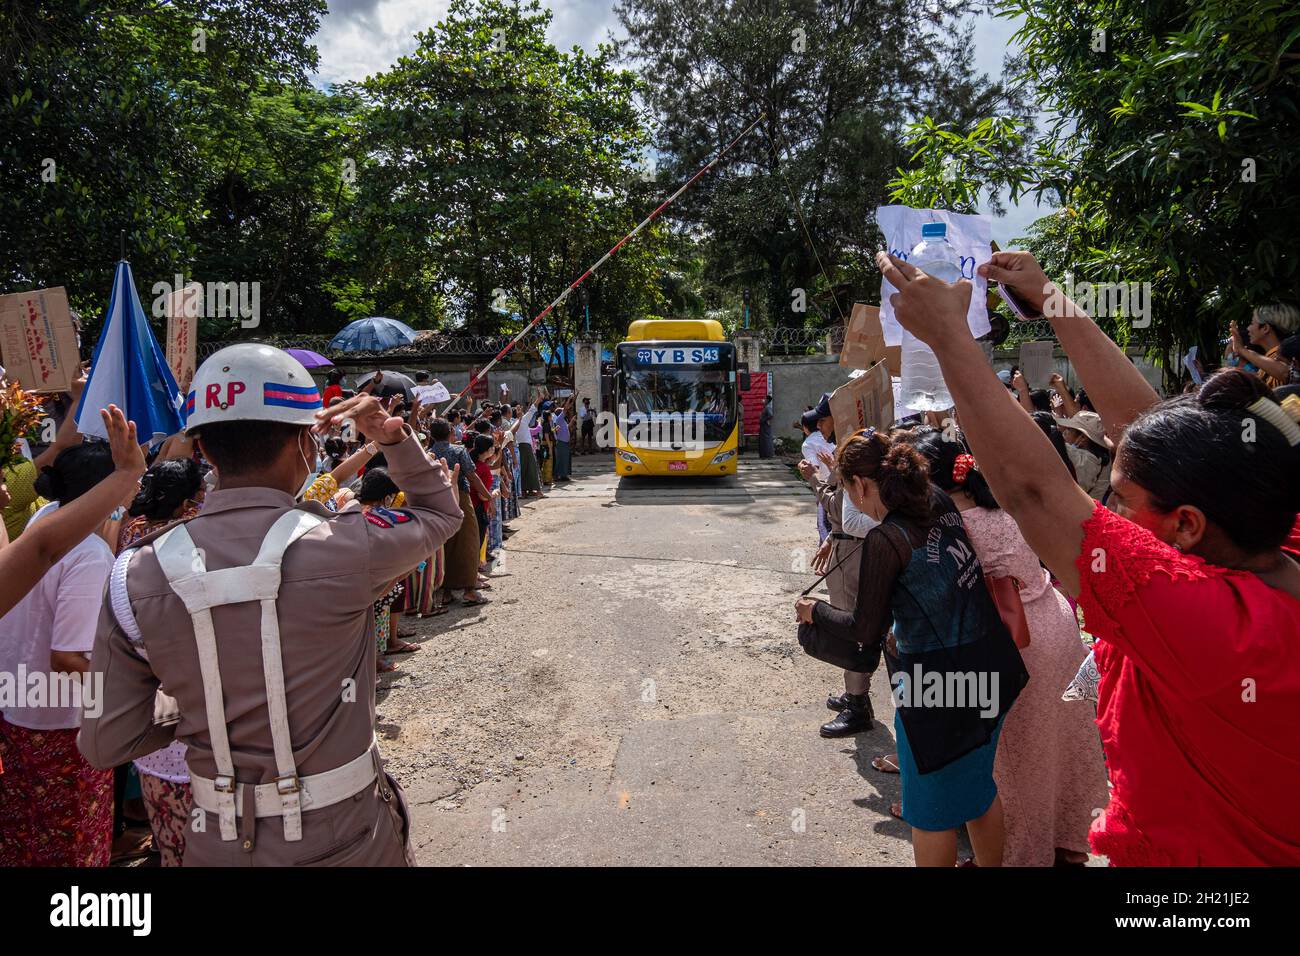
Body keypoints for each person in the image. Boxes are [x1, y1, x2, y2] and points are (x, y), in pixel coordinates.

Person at [880, 246, 1300, 865]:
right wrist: (1050, 299)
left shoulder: (1207, 619)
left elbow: (1033, 491)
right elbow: (1150, 429)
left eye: (1121, 501)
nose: (1107, 512)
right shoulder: (1268, 531)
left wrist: (949, 339)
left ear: (1185, 523)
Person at [79, 344, 463, 866]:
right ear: (306, 443)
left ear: (206, 452)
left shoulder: (135, 572)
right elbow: (441, 514)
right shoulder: (347, 546)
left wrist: (201, 709)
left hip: (214, 841)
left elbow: (106, 742)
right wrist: (392, 437)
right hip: (349, 838)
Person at [795, 429, 1025, 867]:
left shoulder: (888, 540)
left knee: (930, 811)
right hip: (992, 666)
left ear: (860, 485)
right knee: (978, 788)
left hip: (937, 688)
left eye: (848, 490)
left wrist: (814, 612)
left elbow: (864, 628)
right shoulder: (937, 500)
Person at [904, 427, 1109, 866]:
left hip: (1012, 642)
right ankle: (1068, 840)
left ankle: (1019, 854)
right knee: (1059, 742)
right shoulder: (1007, 509)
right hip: (1055, 627)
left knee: (1011, 760)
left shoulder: (951, 531)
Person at [0, 441, 122, 865]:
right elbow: (67, 659)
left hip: (18, 709)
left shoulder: (46, 519)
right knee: (71, 845)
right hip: (62, 726)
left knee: (22, 837)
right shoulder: (88, 556)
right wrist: (128, 694)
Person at [113, 455, 205, 867]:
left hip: (146, 702)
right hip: (190, 707)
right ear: (188, 502)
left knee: (167, 822)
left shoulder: (127, 535)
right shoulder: (188, 543)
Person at [798, 444, 879, 738]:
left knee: (850, 626)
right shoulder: (862, 472)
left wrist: (813, 479)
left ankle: (859, 704)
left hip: (853, 552)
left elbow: (838, 510)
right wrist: (832, 537)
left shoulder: (860, 476)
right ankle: (854, 693)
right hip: (846, 545)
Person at [429, 417, 488, 606]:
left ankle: (445, 590)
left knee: (445, 544)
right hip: (460, 497)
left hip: (437, 500)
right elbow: (472, 476)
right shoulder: (458, 450)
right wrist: (488, 495)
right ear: (451, 433)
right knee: (469, 541)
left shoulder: (427, 453)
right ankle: (469, 589)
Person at [1229, 304, 1299, 390]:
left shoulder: (1284, 357)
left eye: (1251, 323)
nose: (1248, 328)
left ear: (1265, 328)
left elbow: (1286, 373)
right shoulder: (1266, 362)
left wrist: (1241, 349)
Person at [1054, 410, 1111, 500]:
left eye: (1069, 429)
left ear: (1083, 438)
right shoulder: (1103, 460)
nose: (1065, 432)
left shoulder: (1080, 459)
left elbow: (1055, 444)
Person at [516, 399, 544, 498]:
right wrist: (539, 398)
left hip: (519, 447)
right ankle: (536, 491)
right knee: (531, 469)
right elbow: (532, 409)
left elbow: (531, 410)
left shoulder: (513, 422)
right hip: (526, 448)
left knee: (523, 470)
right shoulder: (523, 419)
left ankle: (524, 491)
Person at [758, 394, 775, 458]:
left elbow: (770, 415)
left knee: (766, 440)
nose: (763, 400)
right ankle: (764, 454)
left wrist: (764, 420)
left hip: (765, 426)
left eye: (764, 399)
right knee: (763, 440)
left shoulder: (767, 407)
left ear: (767, 400)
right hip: (763, 426)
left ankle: (768, 454)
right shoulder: (765, 407)